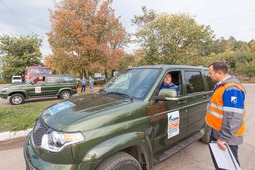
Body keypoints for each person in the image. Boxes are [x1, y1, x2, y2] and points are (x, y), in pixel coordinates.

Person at [206, 61, 246, 169]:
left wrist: (223, 138)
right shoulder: (221, 86)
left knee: (227, 166)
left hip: (226, 138)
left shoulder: (232, 89)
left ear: (219, 73)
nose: (209, 75)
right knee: (221, 165)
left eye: (210, 73)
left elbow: (234, 117)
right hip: (217, 133)